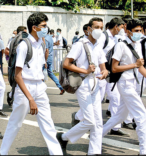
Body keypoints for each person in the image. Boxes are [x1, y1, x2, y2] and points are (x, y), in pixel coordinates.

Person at [0, 12, 63, 155]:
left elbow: (40, 65)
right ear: (34, 28)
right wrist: (30, 98)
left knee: (48, 125)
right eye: (43, 26)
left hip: (39, 86)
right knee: (15, 123)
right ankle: (3, 152)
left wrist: (45, 51)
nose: (46, 29)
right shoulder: (24, 45)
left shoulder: (41, 43)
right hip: (24, 88)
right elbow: (17, 75)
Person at [58, 17, 108, 155]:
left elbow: (103, 64)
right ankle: (63, 137)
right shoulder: (80, 44)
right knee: (90, 121)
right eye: (96, 27)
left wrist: (104, 71)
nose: (99, 30)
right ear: (89, 29)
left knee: (98, 122)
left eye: (101, 27)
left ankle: (94, 152)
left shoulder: (98, 45)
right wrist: (85, 71)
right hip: (83, 84)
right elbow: (66, 63)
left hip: (95, 84)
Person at [102, 19, 146, 155]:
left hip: (133, 83)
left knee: (119, 116)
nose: (139, 33)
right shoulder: (121, 45)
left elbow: (140, 68)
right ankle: (143, 150)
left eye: (140, 31)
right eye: (136, 31)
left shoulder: (138, 44)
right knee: (141, 115)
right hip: (124, 83)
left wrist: (138, 66)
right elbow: (114, 68)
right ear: (128, 31)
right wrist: (135, 65)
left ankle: (96, 136)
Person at [45, 26, 65, 95]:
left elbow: (46, 50)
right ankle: (61, 87)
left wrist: (44, 60)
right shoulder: (50, 38)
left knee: (39, 74)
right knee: (50, 73)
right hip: (49, 58)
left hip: (46, 58)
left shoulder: (45, 39)